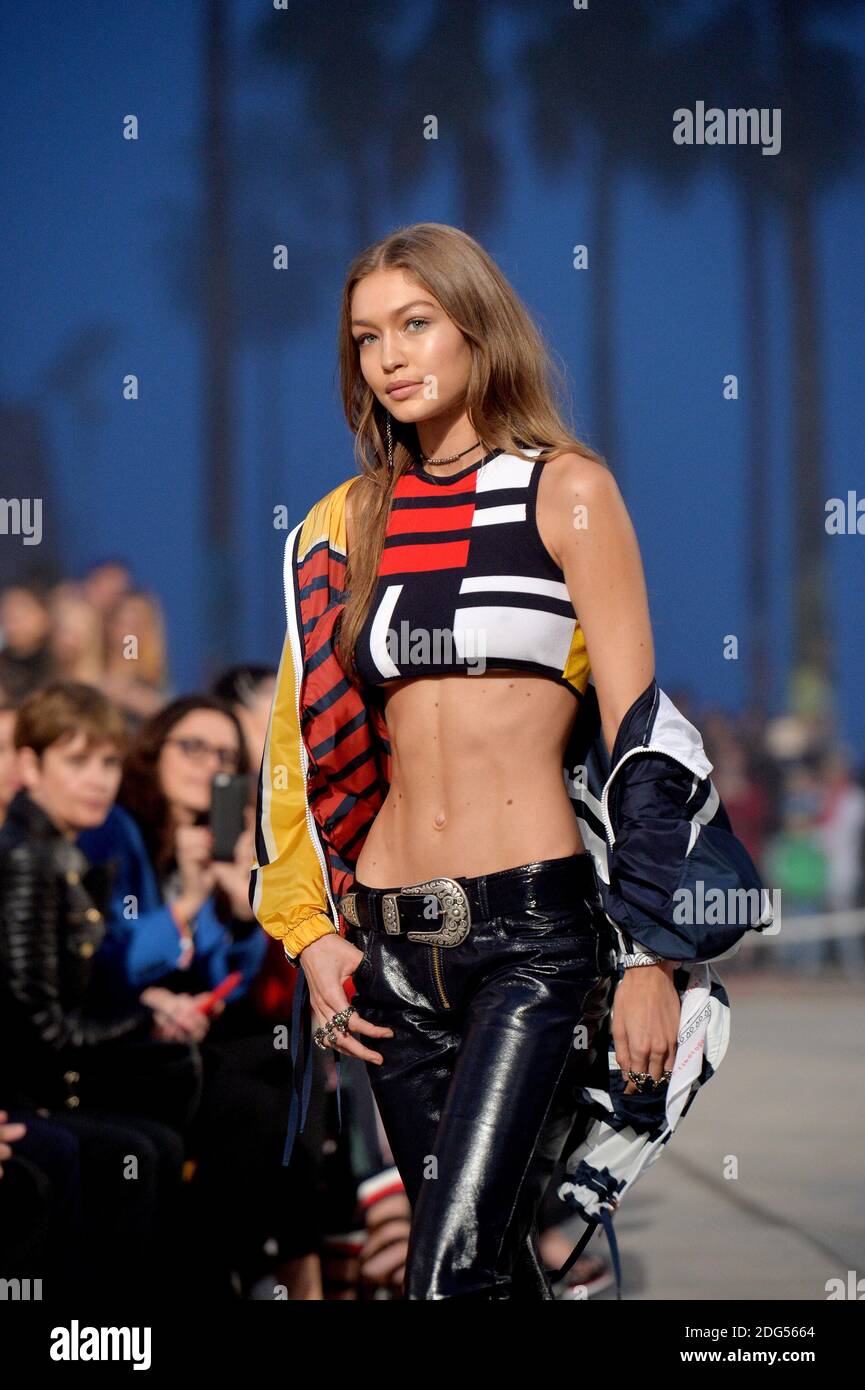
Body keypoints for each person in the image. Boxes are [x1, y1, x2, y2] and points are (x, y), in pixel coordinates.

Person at [249, 222, 770, 1300]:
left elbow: (644, 740)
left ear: (477, 330)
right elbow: (297, 755)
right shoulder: (342, 528)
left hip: (530, 939)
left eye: (414, 323)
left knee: (448, 1274)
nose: (388, 357)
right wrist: (309, 941)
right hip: (389, 943)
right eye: (364, 338)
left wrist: (650, 956)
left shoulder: (567, 491)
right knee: (485, 1270)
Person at [0, 681, 199, 1298]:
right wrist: (145, 1021)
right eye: (77, 761)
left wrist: (148, 1008)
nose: (98, 780)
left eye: (109, 762)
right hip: (28, 1091)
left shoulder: (60, 850)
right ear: (30, 765)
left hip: (43, 1080)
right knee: (133, 1151)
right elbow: (44, 1030)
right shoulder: (30, 858)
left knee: (158, 1139)